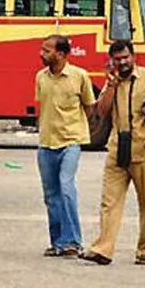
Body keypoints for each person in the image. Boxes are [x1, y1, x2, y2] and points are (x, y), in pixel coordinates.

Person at [80, 40, 145, 266]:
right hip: (117, 149)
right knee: (109, 201)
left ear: (133, 56)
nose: (121, 63)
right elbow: (101, 112)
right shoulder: (113, 82)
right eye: (117, 59)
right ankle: (103, 249)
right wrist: (110, 85)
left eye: (125, 58)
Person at [35, 35, 95, 258]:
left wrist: (80, 131)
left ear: (61, 54)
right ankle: (58, 242)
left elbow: (90, 108)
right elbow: (42, 107)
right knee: (51, 195)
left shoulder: (80, 76)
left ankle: (73, 241)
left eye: (47, 50)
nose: (42, 54)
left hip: (71, 141)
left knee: (66, 187)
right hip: (46, 143)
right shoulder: (41, 77)